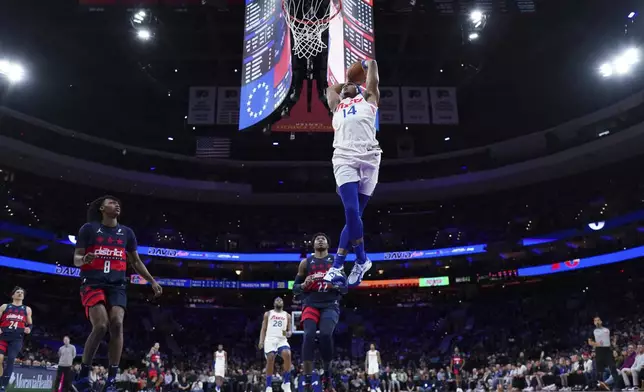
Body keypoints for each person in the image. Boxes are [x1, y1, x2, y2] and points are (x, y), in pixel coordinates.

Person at [73, 195, 162, 392]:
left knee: (118, 323)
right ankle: (83, 373)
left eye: (118, 203)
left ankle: (111, 381)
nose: (116, 204)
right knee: (101, 325)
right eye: (112, 202)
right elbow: (76, 259)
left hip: (117, 284)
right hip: (93, 282)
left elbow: (136, 262)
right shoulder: (88, 229)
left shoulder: (127, 233)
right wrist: (85, 259)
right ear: (102, 208)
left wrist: (152, 281)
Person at [323, 59, 381, 288]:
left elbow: (373, 81)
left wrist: (371, 64)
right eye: (344, 88)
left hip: (370, 157)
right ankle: (356, 260)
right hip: (344, 158)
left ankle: (341, 265)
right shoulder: (337, 105)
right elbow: (329, 89)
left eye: (351, 87)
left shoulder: (369, 100)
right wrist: (346, 82)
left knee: (355, 216)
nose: (346, 89)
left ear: (360, 88)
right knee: (350, 209)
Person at [293, 233, 348, 392]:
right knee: (308, 335)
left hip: (330, 304)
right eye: (317, 238)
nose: (320, 239)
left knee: (325, 334)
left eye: (324, 238)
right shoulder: (305, 263)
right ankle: (308, 380)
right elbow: (295, 289)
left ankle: (327, 376)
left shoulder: (336, 262)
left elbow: (345, 288)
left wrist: (335, 284)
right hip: (310, 304)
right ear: (313, 244)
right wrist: (304, 285)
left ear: (328, 244)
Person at [0, 287, 32, 392]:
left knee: (10, 360)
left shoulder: (27, 309)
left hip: (16, 338)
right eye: (17, 292)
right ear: (12, 295)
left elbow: (30, 324)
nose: (20, 294)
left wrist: (28, 329)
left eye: (22, 292)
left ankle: (3, 385)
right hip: (3, 336)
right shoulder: (5, 306)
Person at [258, 297, 293, 392]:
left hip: (281, 339)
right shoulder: (268, 314)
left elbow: (289, 331)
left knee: (287, 354)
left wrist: (288, 333)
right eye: (277, 300)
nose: (279, 301)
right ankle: (268, 386)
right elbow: (263, 328)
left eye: (281, 300)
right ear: (274, 304)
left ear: (283, 304)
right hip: (270, 339)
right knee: (271, 357)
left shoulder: (287, 315)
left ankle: (286, 383)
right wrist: (261, 341)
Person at [588, 315, 619, 391]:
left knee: (613, 368)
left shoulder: (607, 329)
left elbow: (614, 337)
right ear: (594, 323)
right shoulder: (593, 331)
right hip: (599, 351)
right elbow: (590, 342)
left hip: (608, 350)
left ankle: (617, 387)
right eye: (595, 321)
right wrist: (597, 344)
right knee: (599, 370)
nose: (597, 321)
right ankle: (599, 386)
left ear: (601, 321)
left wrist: (614, 345)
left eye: (598, 320)